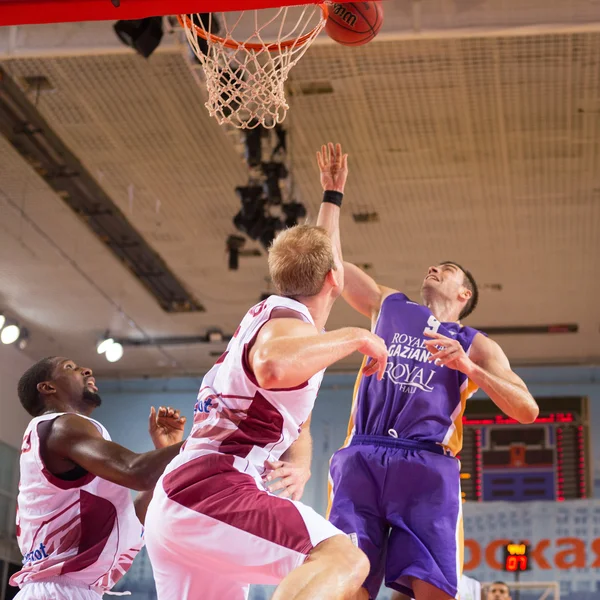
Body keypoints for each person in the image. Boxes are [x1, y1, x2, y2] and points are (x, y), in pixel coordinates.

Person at [144, 143, 388, 600]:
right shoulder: (284, 322)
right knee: (344, 560)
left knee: (334, 579)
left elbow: (296, 415)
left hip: (183, 503)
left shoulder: (291, 323)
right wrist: (358, 337)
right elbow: (273, 366)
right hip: (214, 492)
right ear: (335, 281)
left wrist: (332, 198)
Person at [327, 259, 539, 600]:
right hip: (363, 455)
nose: (433, 268)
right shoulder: (390, 306)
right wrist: (332, 203)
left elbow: (527, 409)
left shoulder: (474, 343)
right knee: (345, 580)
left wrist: (468, 367)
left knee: (433, 589)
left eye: (447, 268)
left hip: (427, 466)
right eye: (433, 266)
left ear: (463, 293)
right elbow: (332, 263)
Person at [10, 356, 187, 600]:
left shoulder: (62, 432)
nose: (87, 370)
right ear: (48, 387)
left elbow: (129, 518)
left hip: (64, 589)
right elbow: (137, 471)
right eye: (70, 367)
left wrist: (165, 453)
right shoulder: (63, 426)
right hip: (58, 591)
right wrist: (208, 435)